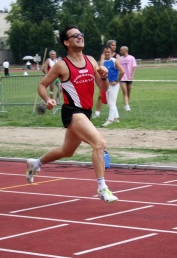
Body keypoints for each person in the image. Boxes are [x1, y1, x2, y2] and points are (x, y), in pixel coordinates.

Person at [25, 25, 118, 203]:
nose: (80, 37)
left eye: (81, 34)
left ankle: (35, 163)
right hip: (72, 112)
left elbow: (103, 88)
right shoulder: (62, 65)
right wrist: (48, 99)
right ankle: (102, 188)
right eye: (75, 35)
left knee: (66, 151)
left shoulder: (91, 60)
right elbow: (42, 85)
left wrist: (104, 77)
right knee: (99, 143)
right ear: (66, 42)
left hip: (85, 112)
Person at [93, 40, 120, 119]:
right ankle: (97, 113)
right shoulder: (104, 55)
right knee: (100, 96)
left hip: (113, 80)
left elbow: (118, 67)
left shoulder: (116, 56)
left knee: (112, 101)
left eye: (115, 45)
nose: (114, 46)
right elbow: (102, 65)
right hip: (105, 80)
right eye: (112, 45)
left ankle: (114, 118)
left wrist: (116, 79)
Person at [101, 46, 125, 127]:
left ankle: (110, 120)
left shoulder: (114, 61)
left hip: (113, 85)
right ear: (104, 53)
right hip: (107, 84)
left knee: (111, 103)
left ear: (111, 53)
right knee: (110, 103)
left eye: (108, 52)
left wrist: (117, 81)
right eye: (105, 52)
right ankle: (116, 118)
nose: (107, 53)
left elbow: (122, 71)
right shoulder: (104, 62)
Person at [119, 46, 136, 112]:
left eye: (121, 50)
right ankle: (127, 106)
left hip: (129, 78)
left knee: (128, 92)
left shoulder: (132, 58)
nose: (120, 51)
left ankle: (127, 104)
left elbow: (134, 67)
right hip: (122, 78)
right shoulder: (120, 59)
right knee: (125, 92)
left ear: (125, 50)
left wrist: (132, 75)